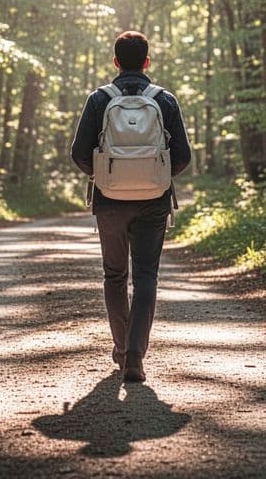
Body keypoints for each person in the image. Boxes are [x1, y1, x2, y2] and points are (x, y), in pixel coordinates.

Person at [70, 31, 191, 383]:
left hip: (109, 202)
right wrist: (158, 177)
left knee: (114, 275)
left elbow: (79, 153)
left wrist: (106, 176)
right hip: (154, 202)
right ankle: (136, 357)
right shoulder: (164, 100)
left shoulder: (99, 99)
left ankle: (121, 350)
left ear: (116, 62)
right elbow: (182, 156)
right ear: (148, 62)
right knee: (146, 276)